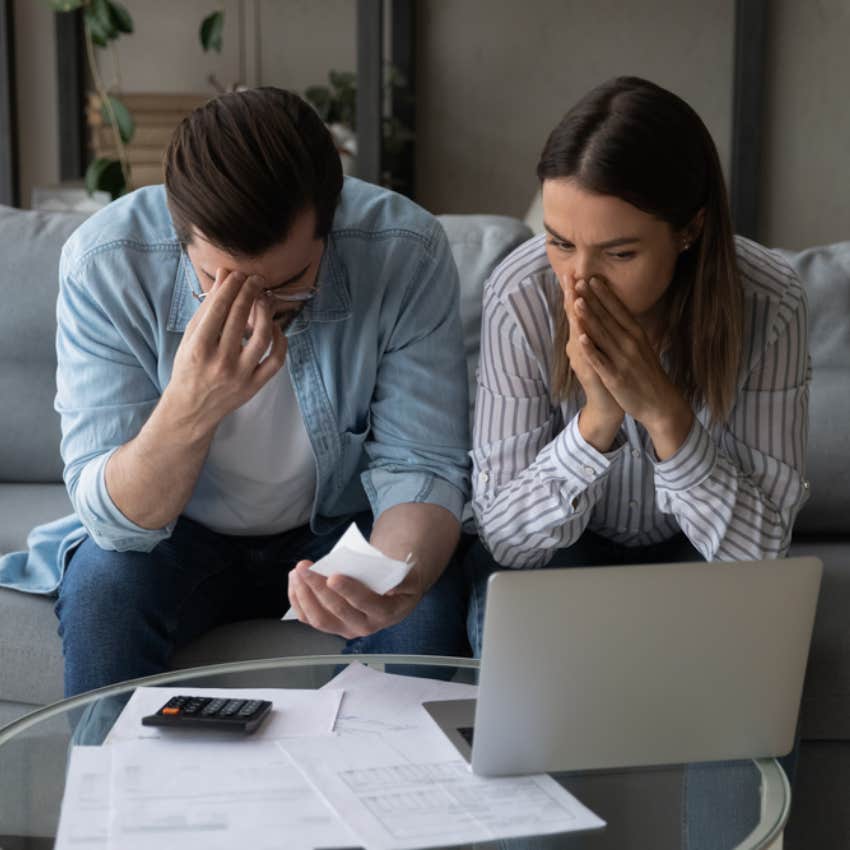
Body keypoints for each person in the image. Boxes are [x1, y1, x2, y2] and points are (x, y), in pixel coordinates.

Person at [0, 87, 471, 696]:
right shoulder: (106, 262)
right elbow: (114, 521)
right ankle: (114, 792)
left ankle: (396, 791)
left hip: (344, 523)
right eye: (218, 281)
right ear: (180, 235)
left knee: (424, 612)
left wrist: (396, 576)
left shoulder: (405, 250)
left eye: (290, 282)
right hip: (176, 534)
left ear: (332, 225)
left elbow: (423, 465)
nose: (256, 313)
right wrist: (194, 403)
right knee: (102, 596)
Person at [466, 74, 811, 850]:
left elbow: (760, 555)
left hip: (708, 558)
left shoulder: (770, 300)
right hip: (562, 555)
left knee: (750, 667)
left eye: (618, 251)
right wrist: (597, 421)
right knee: (521, 652)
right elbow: (510, 541)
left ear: (687, 230)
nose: (578, 282)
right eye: (560, 242)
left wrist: (665, 416)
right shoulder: (522, 296)